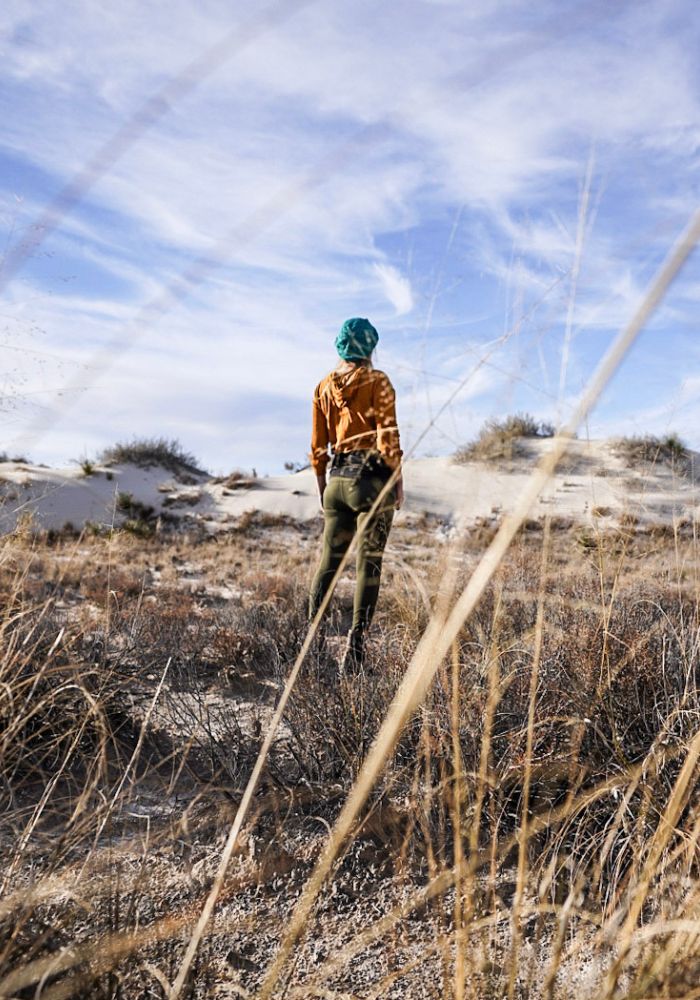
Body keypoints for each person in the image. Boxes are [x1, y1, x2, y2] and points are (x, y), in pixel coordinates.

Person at [308, 317, 403, 672]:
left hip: (336, 481)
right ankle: (356, 651)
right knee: (369, 565)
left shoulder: (321, 388)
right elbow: (388, 438)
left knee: (328, 564)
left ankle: (311, 646)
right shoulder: (378, 381)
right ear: (370, 347)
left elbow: (318, 447)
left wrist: (323, 486)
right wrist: (398, 481)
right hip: (371, 480)